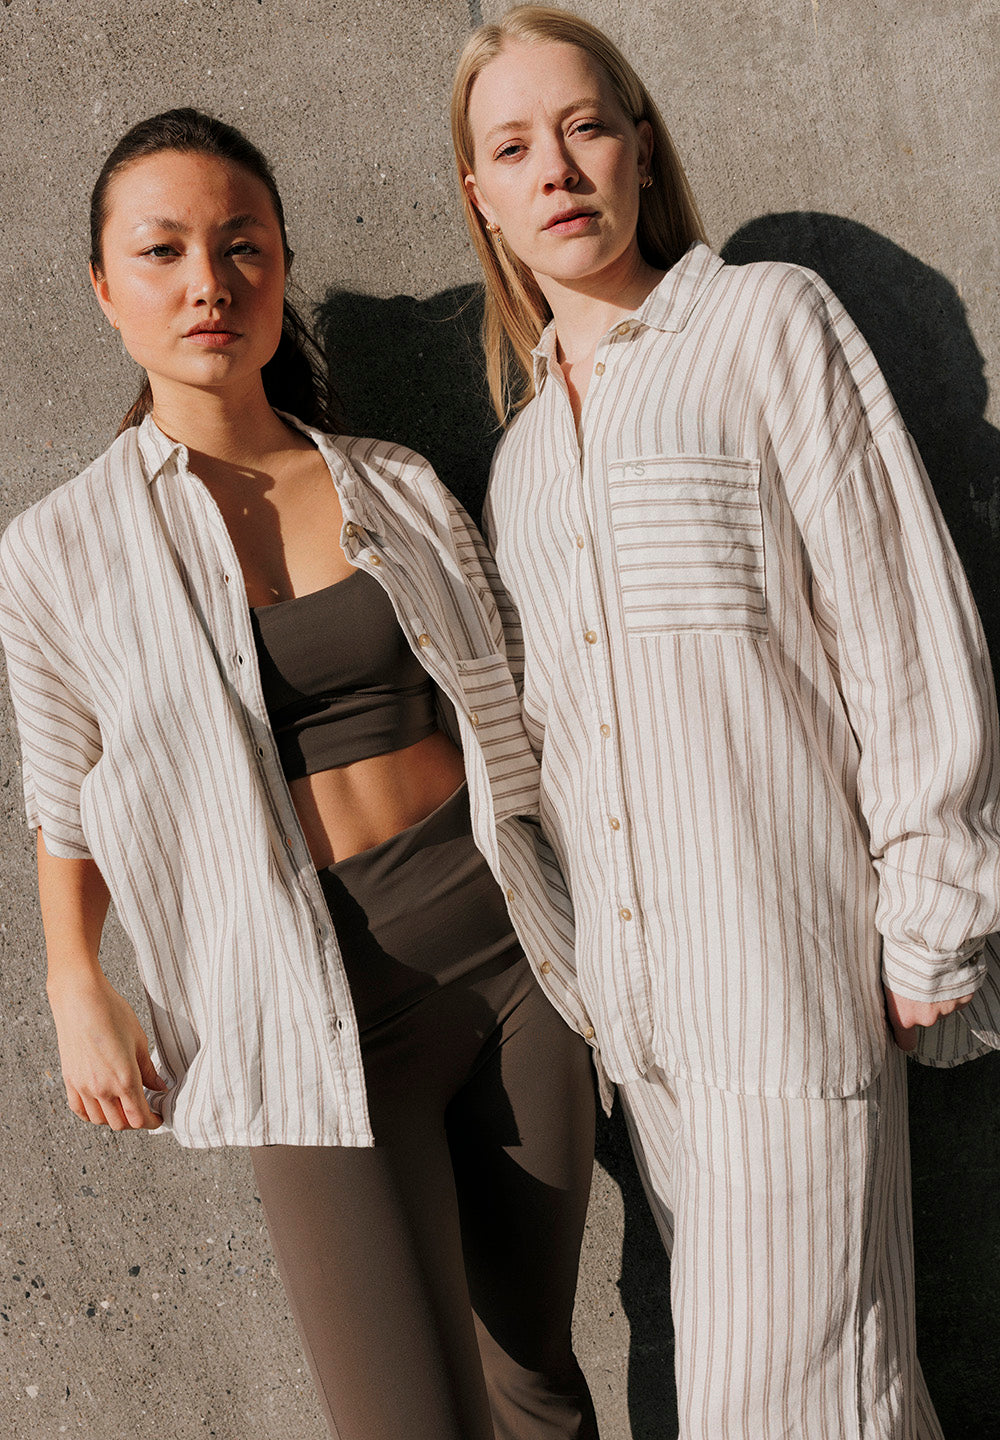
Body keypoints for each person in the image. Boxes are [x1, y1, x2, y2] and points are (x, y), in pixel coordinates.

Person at [0, 108, 602, 1440]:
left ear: (279, 269)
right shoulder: (57, 552)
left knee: (538, 1386)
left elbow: (525, 699)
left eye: (243, 246)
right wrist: (74, 984)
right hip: (297, 1005)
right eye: (162, 251)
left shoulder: (398, 484)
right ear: (103, 288)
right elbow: (64, 787)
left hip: (510, 961)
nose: (208, 282)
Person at [450, 7, 1000, 1437]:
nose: (557, 167)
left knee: (785, 1406)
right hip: (645, 1035)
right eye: (513, 147)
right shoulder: (521, 467)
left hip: (788, 981)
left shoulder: (767, 323)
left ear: (640, 146)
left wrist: (934, 901)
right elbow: (551, 754)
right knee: (841, 1401)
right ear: (481, 196)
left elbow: (896, 612)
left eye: (585, 125)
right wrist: (590, 989)